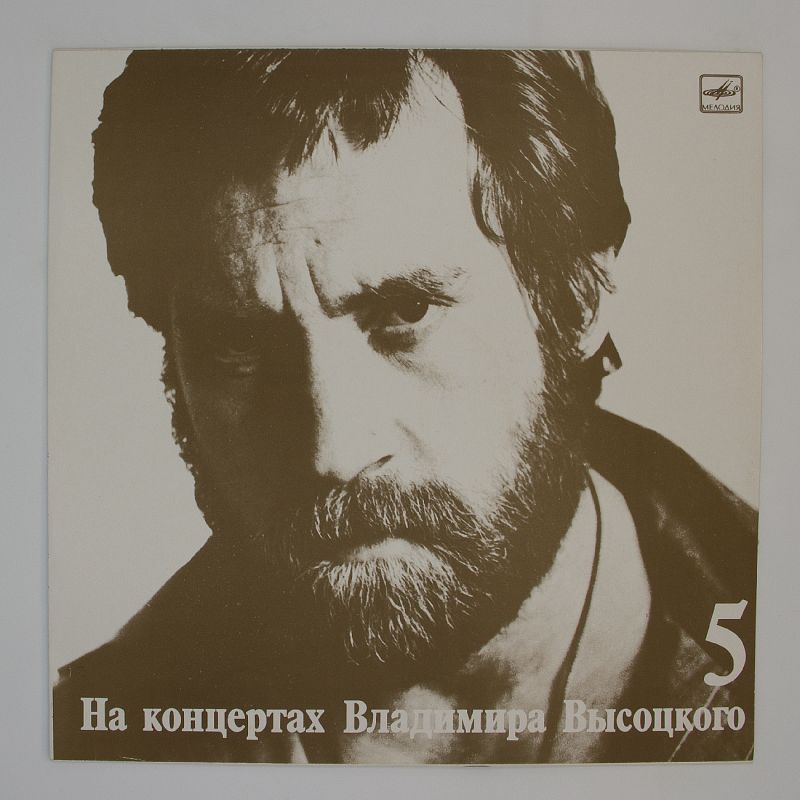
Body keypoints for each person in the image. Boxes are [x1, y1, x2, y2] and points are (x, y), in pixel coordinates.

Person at [52, 49, 756, 764]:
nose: (331, 451)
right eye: (239, 345)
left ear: (580, 297)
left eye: (406, 311)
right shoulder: (93, 748)